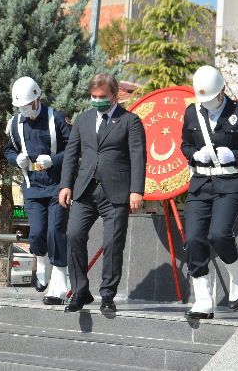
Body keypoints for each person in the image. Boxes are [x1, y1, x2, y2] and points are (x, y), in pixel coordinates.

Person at [180, 66, 238, 319]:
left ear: (222, 91)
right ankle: (203, 298)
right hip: (200, 183)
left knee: (219, 234)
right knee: (194, 238)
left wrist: (236, 155)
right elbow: (184, 144)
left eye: (212, 99)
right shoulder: (192, 113)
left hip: (230, 183)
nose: (208, 104)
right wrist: (195, 154)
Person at [59, 73, 146, 314]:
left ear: (115, 94)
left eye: (103, 97)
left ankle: (107, 295)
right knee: (74, 235)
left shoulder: (130, 121)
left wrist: (136, 190)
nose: (97, 100)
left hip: (116, 192)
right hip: (85, 190)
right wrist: (66, 185)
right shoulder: (82, 120)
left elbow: (138, 157)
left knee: (112, 243)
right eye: (94, 96)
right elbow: (71, 155)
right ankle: (81, 292)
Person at [6, 76, 72, 305]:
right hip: (32, 186)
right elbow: (8, 151)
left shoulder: (57, 118)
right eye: (19, 107)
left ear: (37, 99)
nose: (23, 110)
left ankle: (60, 280)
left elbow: (75, 149)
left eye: (26, 105)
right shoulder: (15, 123)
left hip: (57, 186)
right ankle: (42, 266)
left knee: (56, 231)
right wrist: (17, 159)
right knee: (36, 232)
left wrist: (54, 160)